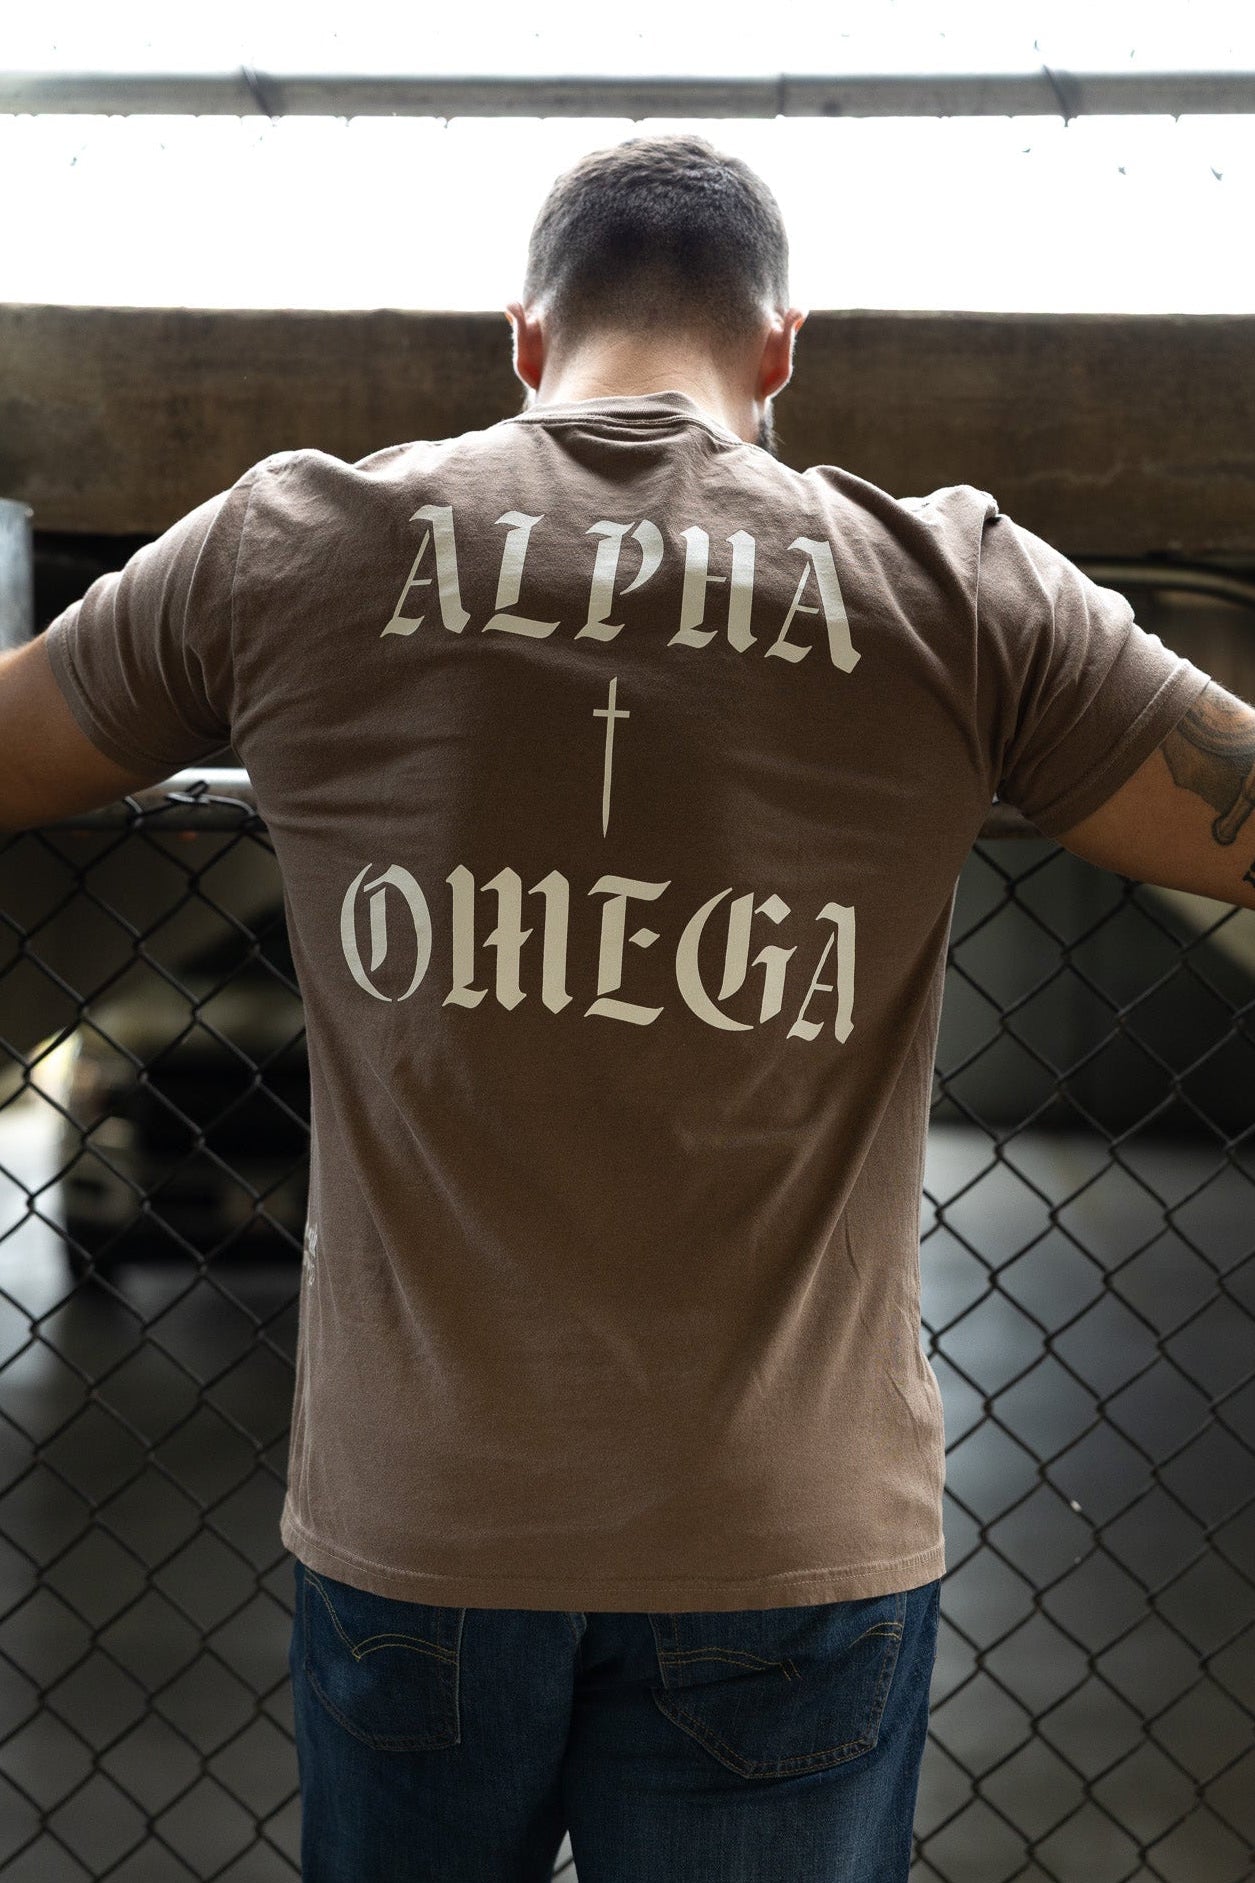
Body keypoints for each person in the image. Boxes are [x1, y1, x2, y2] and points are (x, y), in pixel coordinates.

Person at [3, 131, 1253, 1883]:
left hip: (422, 1523)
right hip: (781, 1527)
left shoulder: (294, 542)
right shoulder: (958, 587)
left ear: (521, 340)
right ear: (780, 353)